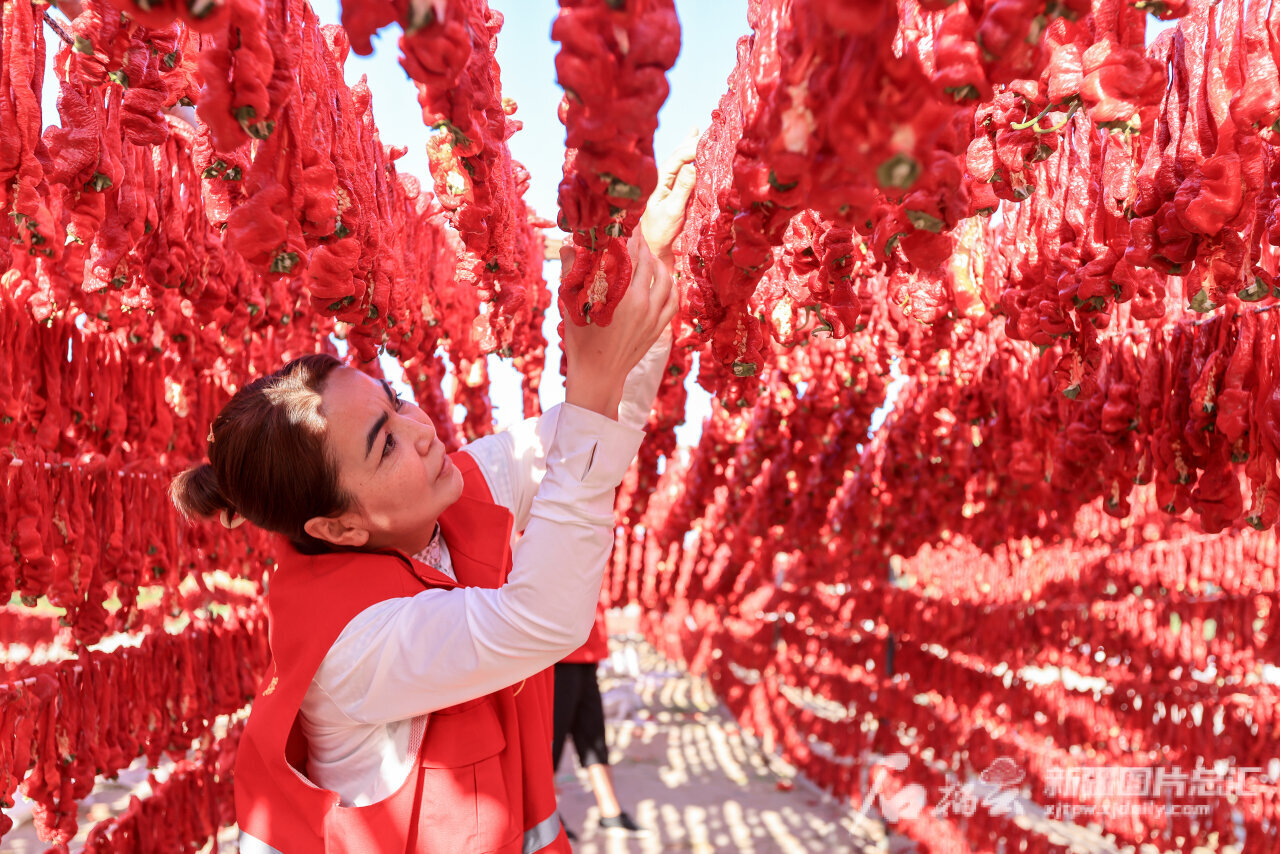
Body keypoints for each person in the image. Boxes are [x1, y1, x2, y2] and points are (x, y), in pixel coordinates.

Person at [170, 140, 698, 853]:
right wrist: (594, 385)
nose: (421, 432)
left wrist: (647, 263)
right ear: (339, 528)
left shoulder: (440, 496)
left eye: (396, 403)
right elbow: (546, 621)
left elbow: (598, 429)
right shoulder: (354, 644)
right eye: (384, 444)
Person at [554, 603, 645, 840]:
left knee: (592, 734)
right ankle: (545, 814)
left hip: (586, 652)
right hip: (559, 653)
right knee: (552, 738)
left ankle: (610, 811)